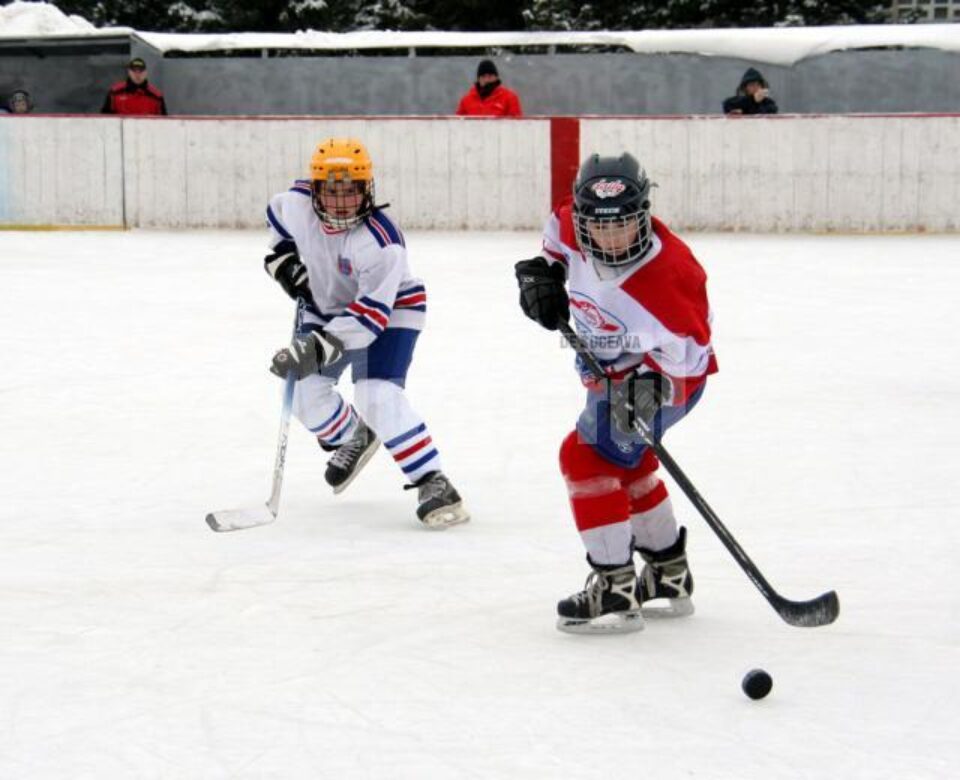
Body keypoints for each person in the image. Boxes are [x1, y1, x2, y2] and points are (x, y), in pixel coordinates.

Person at [514, 152, 717, 634]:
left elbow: (692, 357)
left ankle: (615, 586)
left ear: (644, 215)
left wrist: (647, 388)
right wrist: (542, 275)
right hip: (607, 371)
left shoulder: (671, 276)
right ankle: (668, 574)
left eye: (623, 225)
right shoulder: (571, 223)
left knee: (584, 457)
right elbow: (554, 243)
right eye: (598, 226)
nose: (610, 238)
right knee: (628, 464)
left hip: (669, 380)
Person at [264, 137, 470, 529]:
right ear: (316, 190)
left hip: (390, 309)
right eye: (332, 191)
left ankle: (433, 480)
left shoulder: (382, 241)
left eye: (351, 191)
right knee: (303, 396)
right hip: (326, 304)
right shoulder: (295, 203)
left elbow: (368, 318)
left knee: (375, 396)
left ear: (367, 189)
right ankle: (355, 435)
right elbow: (275, 220)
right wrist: (284, 261)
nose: (342, 202)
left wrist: (314, 348)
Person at [455, 59, 523, 117]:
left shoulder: (510, 98)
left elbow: (516, 124)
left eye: (490, 76)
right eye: (483, 76)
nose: (487, 80)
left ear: (496, 77)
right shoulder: (466, 101)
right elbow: (457, 123)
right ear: (478, 79)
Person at [101, 58, 167, 115]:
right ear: (129, 72)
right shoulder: (115, 92)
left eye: (140, 71)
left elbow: (163, 122)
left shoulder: (156, 96)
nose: (137, 74)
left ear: (146, 73)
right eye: (134, 71)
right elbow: (105, 119)